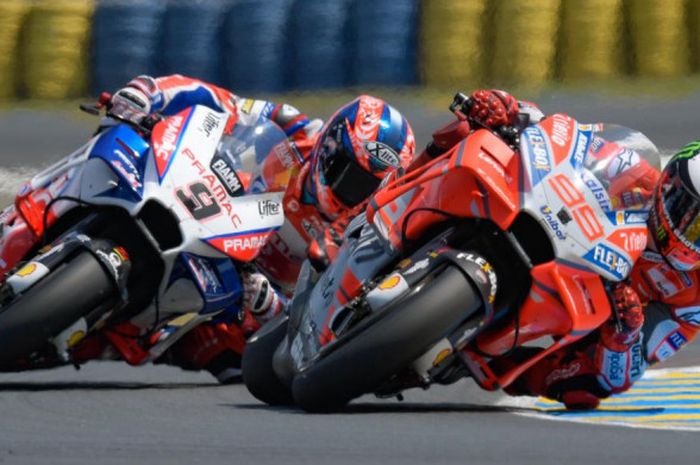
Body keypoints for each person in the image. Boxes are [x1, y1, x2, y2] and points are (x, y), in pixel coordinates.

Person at [103, 74, 416, 382]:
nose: (353, 196)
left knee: (234, 357)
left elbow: (323, 307)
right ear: (330, 147)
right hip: (198, 204)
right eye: (352, 178)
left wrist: (272, 306)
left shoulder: (352, 235)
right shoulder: (292, 126)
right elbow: (220, 102)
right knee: (127, 148)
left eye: (367, 192)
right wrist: (147, 92)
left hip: (235, 288)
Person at [504, 140, 700, 409]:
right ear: (669, 184)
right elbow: (563, 137)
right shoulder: (633, 172)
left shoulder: (693, 299)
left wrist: (625, 336)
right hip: (550, 230)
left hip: (578, 309)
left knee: (590, 385)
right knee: (480, 132)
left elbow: (624, 374)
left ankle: (500, 365)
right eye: (690, 214)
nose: (692, 234)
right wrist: (517, 113)